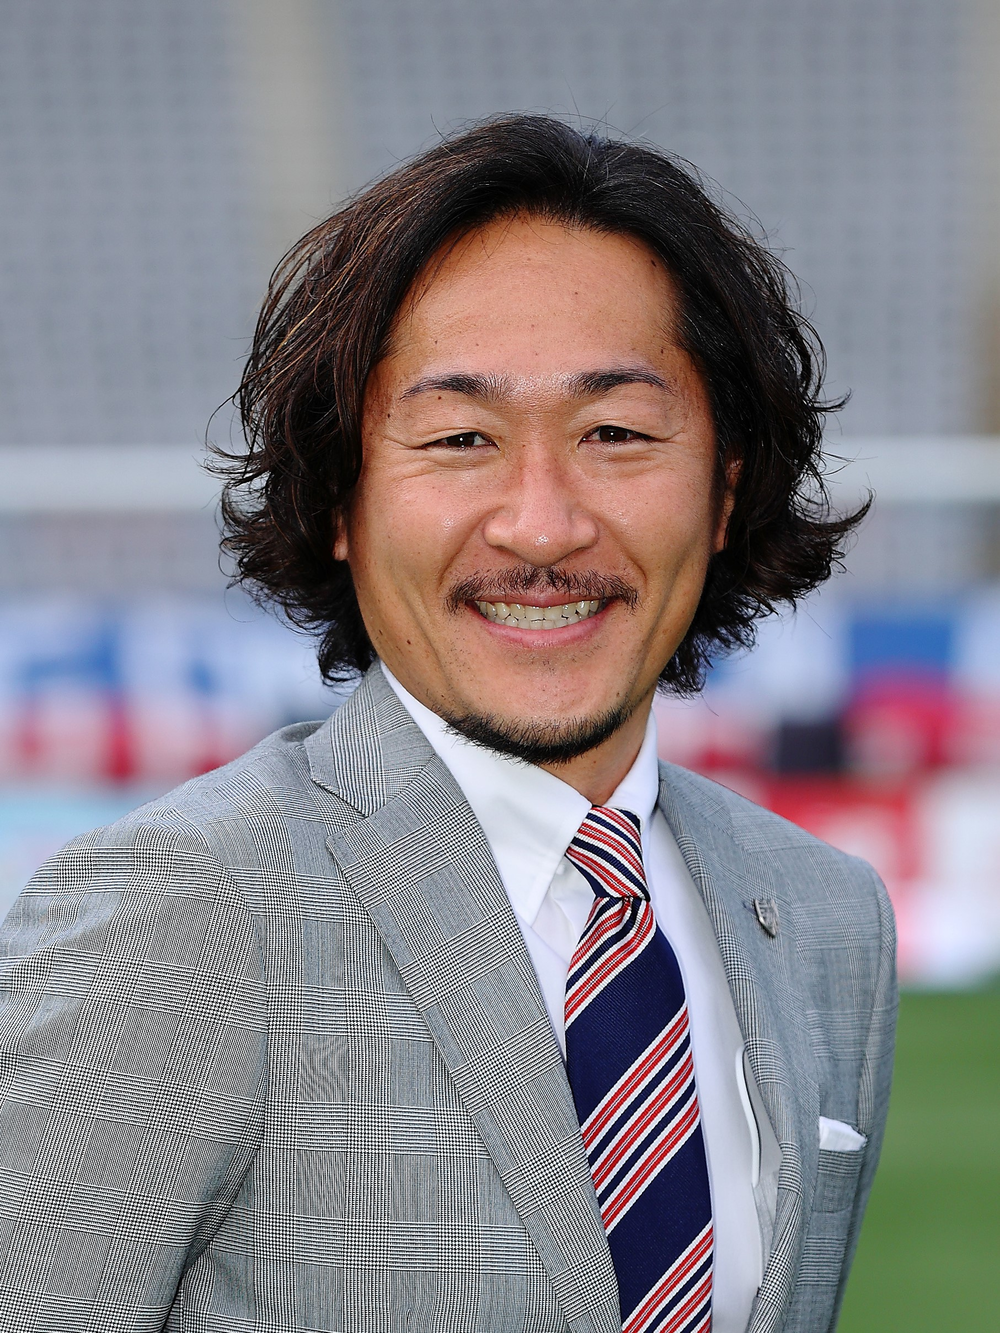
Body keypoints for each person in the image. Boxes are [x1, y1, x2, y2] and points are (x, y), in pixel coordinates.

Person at [0, 116, 895, 1333]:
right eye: (461, 438)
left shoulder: (825, 916)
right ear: (339, 502)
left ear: (725, 489)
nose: (541, 525)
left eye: (615, 434)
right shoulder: (183, 906)